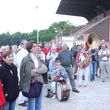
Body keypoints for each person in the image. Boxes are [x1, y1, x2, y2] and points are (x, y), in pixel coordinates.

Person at [19, 40, 47, 110]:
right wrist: (40, 71)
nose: (37, 48)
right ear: (30, 49)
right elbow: (28, 73)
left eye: (37, 46)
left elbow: (45, 69)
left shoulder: (38, 58)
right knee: (31, 104)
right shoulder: (26, 59)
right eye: (35, 46)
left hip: (40, 83)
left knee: (38, 104)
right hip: (31, 83)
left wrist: (36, 70)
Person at [17, 40, 28, 106]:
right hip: (22, 71)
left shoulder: (26, 51)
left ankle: (24, 99)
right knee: (22, 85)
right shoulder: (20, 52)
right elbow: (20, 63)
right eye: (25, 43)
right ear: (22, 44)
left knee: (26, 85)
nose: (27, 44)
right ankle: (20, 101)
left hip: (26, 70)